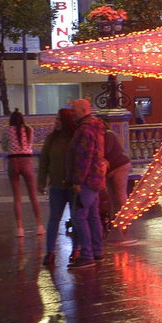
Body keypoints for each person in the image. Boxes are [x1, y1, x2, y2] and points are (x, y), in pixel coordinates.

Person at [67, 99, 109, 267]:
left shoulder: (84, 130)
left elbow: (84, 157)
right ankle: (97, 251)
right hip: (97, 178)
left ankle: (87, 254)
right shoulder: (97, 127)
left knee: (79, 216)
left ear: (84, 110)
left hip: (87, 180)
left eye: (74, 111)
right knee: (93, 216)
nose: (72, 114)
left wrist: (77, 180)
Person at [38, 109, 76, 267]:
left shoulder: (75, 137)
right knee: (54, 218)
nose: (56, 122)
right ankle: (50, 251)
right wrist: (41, 181)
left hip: (73, 186)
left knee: (77, 219)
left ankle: (77, 249)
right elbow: (44, 160)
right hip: (56, 186)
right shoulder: (51, 138)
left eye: (59, 119)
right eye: (56, 119)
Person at [2, 110, 43, 237]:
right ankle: (39, 226)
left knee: (17, 198)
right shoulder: (29, 130)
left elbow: (4, 147)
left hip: (13, 162)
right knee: (33, 196)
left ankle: (20, 229)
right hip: (27, 161)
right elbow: (30, 144)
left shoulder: (7, 131)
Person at [102, 119, 136, 245]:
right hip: (112, 168)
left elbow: (106, 150)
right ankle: (116, 220)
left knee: (120, 194)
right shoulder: (103, 135)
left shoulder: (108, 134)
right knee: (113, 195)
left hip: (120, 165)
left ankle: (124, 221)